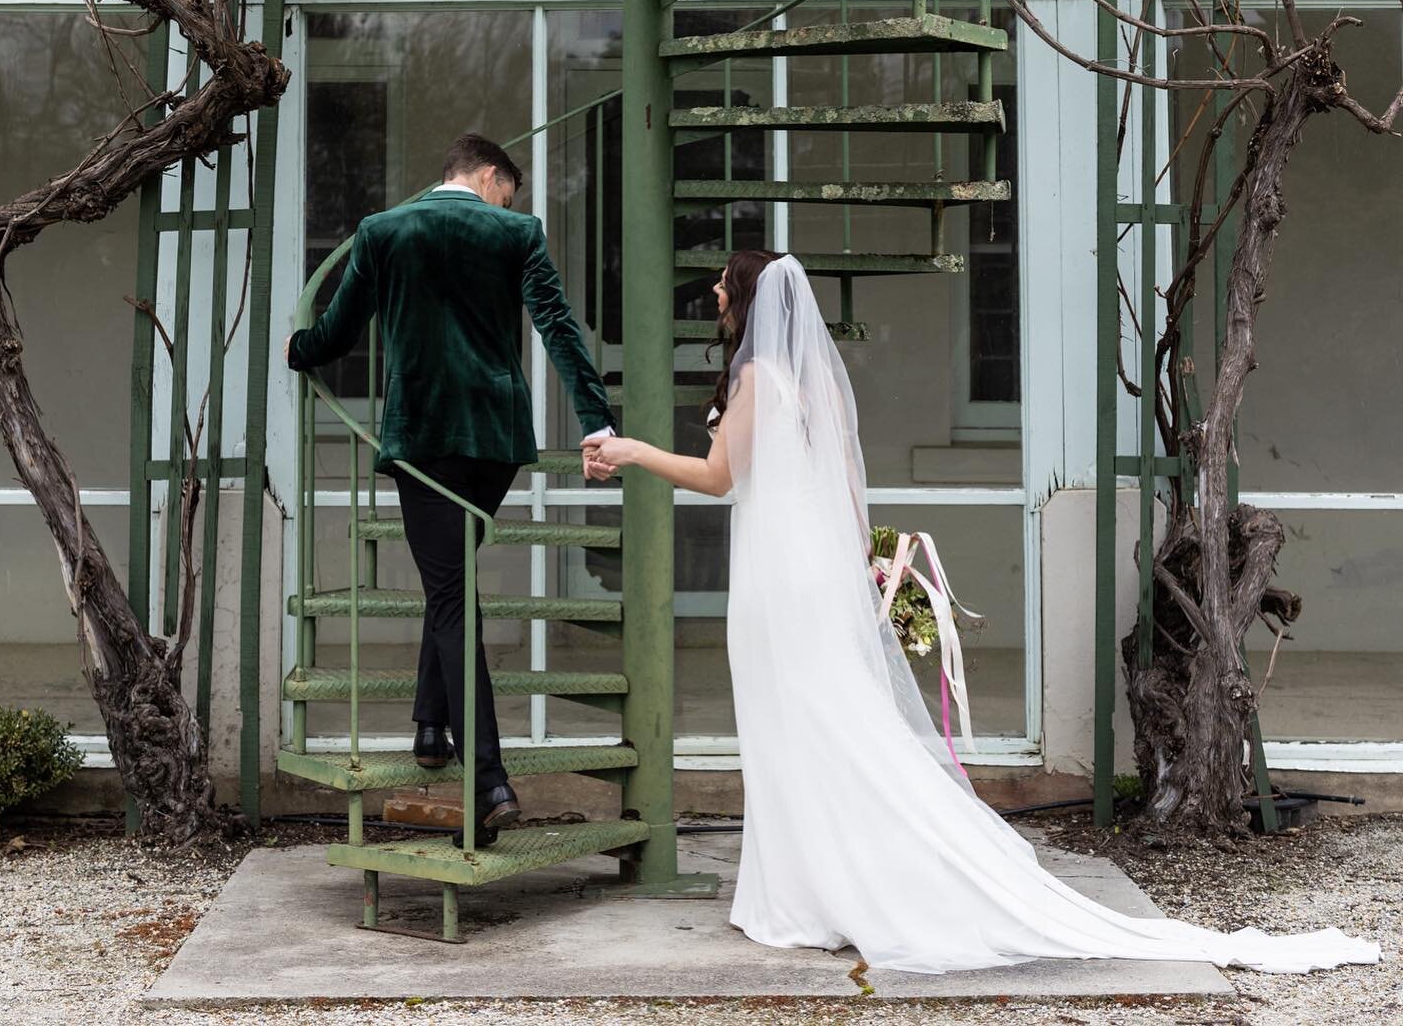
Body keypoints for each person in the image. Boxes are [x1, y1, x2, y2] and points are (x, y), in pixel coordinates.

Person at [584, 250, 1379, 977]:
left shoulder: (758, 372)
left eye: (725, 280)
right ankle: (814, 882)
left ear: (750, 296)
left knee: (799, 720)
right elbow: (848, 488)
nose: (716, 290)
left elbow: (723, 477)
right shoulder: (816, 381)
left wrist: (630, 452)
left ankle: (807, 893)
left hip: (775, 577)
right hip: (807, 570)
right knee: (824, 719)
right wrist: (857, 561)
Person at [286, 132, 615, 840]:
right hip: (494, 441)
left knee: (448, 594)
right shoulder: (517, 232)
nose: (509, 203)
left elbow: (338, 333)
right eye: (508, 190)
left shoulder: (382, 231)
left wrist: (298, 349)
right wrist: (598, 423)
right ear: (490, 175)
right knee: (452, 581)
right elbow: (559, 328)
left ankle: (489, 779)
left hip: (426, 438)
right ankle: (431, 727)